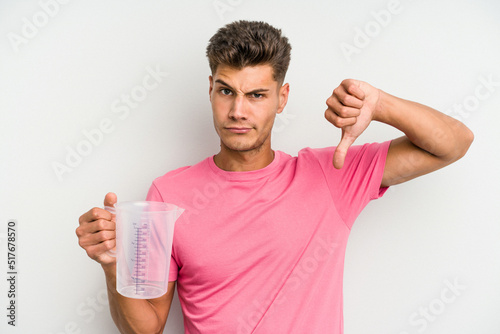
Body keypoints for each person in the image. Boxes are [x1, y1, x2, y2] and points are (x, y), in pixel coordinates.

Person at [76, 20, 473, 334]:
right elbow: (146, 328)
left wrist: (382, 104)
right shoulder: (169, 193)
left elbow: (454, 143)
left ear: (282, 98)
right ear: (210, 90)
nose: (238, 111)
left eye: (256, 95)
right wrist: (114, 268)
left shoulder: (331, 174)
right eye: (226, 91)